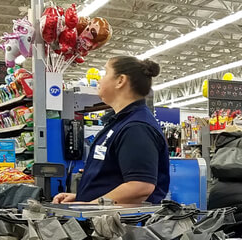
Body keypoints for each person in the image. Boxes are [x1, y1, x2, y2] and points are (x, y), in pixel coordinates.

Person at [54, 57, 170, 204]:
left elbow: (140, 187)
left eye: (105, 73)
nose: (100, 80)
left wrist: (91, 205)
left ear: (120, 80)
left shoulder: (136, 127)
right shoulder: (120, 122)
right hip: (108, 221)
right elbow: (112, 178)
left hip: (122, 225)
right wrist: (82, 197)